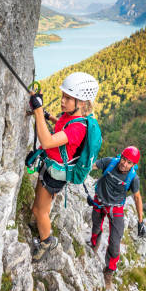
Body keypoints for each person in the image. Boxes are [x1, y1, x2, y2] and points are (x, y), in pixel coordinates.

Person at [28, 72, 99, 262]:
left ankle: (46, 241)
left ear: (82, 103)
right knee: (39, 203)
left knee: (39, 211)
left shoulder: (78, 128)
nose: (62, 101)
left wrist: (37, 110)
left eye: (68, 98)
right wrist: (48, 116)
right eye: (63, 96)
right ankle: (42, 220)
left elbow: (47, 140)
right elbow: (61, 128)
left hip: (54, 174)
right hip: (52, 168)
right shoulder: (71, 117)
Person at [88, 146, 146, 288]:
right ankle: (94, 245)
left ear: (133, 165)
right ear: (120, 156)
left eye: (129, 162)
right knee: (96, 226)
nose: (124, 164)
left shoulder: (133, 178)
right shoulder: (110, 162)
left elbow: (137, 199)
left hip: (116, 207)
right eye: (124, 159)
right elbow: (91, 166)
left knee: (115, 243)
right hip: (100, 200)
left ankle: (109, 272)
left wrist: (140, 221)